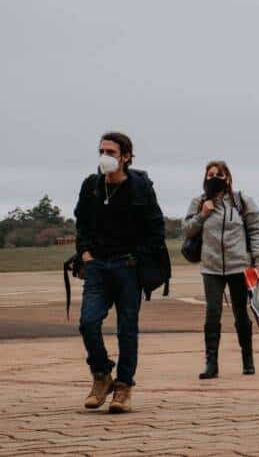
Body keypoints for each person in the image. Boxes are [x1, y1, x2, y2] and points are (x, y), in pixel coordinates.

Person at [75, 132, 169, 413]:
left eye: (111, 152)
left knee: (127, 329)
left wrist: (137, 259)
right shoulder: (91, 186)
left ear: (126, 156)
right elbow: (81, 223)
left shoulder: (140, 189)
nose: (105, 156)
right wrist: (85, 253)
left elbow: (156, 230)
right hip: (97, 267)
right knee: (88, 322)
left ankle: (124, 387)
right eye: (101, 151)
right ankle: (102, 374)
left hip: (127, 267)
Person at [182, 161, 259, 378]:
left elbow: (257, 232)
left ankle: (247, 358)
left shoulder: (242, 202)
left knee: (241, 312)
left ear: (227, 177)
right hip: (211, 268)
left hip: (239, 266)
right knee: (212, 313)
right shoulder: (199, 202)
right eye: (210, 175)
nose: (214, 178)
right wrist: (202, 214)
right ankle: (211, 363)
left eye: (218, 174)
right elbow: (187, 231)